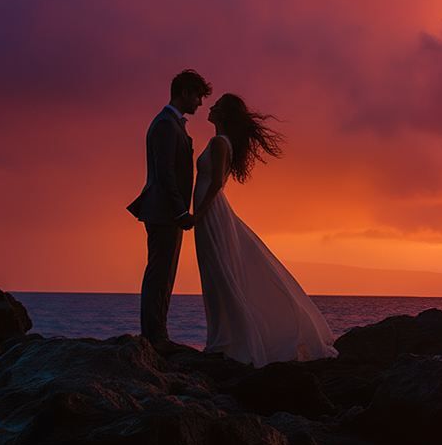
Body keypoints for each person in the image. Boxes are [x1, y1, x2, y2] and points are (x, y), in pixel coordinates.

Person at [188, 93, 337, 365]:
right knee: (215, 273)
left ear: (223, 114)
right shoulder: (220, 141)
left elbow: (217, 183)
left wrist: (197, 214)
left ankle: (228, 341)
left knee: (219, 273)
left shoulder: (219, 142)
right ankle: (223, 338)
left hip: (210, 211)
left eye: (216, 106)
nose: (210, 107)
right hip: (210, 210)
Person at [127, 68, 211, 348]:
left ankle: (157, 333)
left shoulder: (172, 123)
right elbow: (165, 173)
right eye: (198, 96)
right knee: (160, 274)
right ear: (184, 93)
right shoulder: (166, 124)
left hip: (166, 213)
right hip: (164, 213)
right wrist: (180, 212)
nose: (200, 102)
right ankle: (154, 336)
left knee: (164, 274)